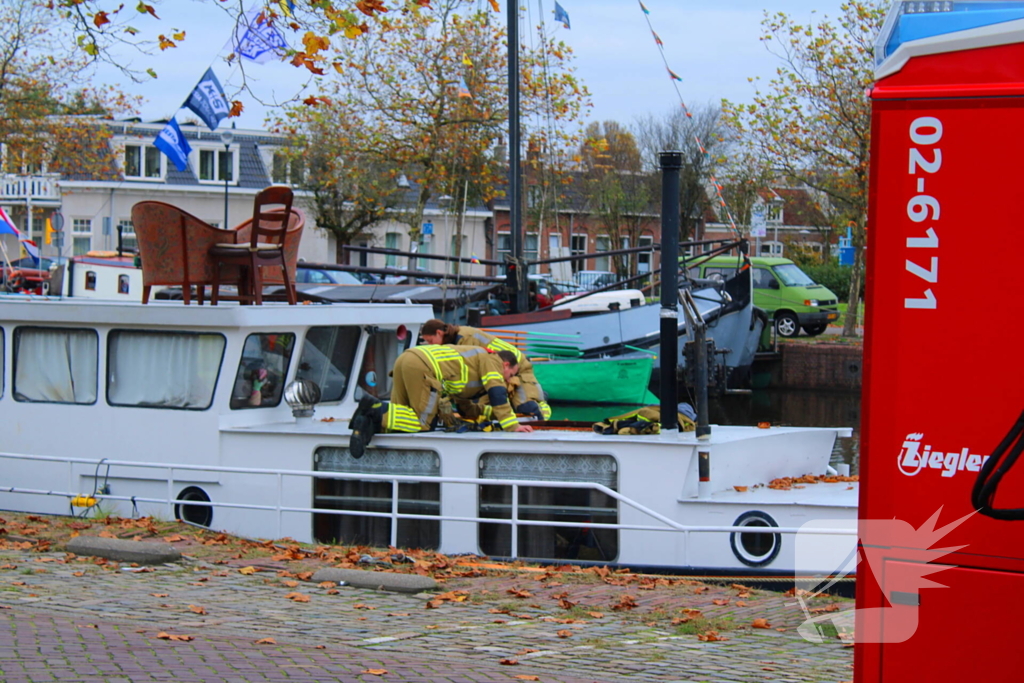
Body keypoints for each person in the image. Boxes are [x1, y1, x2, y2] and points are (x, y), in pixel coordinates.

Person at [348, 345, 533, 458]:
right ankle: (375, 409)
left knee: (401, 422)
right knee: (423, 423)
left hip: (406, 359)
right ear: (505, 364)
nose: (509, 380)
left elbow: (466, 407)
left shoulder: (473, 365)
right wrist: (512, 425)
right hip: (424, 367)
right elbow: (497, 393)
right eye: (511, 374)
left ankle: (368, 424)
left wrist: (492, 415)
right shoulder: (492, 360)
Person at [418, 319, 551, 420]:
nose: (430, 345)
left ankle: (542, 412)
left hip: (516, 367)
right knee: (482, 409)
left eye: (430, 341)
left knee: (526, 407)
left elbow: (468, 372)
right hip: (496, 369)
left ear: (439, 333)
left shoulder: (464, 339)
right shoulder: (456, 339)